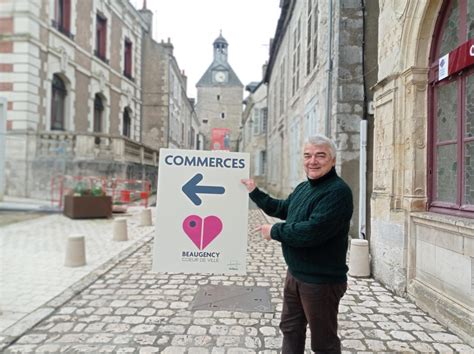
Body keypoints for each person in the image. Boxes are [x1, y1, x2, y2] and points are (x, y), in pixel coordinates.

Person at [241, 134, 353, 354]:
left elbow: (312, 232)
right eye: (308, 156)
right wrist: (255, 192)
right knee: (290, 329)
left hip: (321, 282)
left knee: (323, 343)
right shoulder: (304, 188)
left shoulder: (338, 192)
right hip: (296, 275)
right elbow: (282, 208)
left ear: (332, 160)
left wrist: (274, 231)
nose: (313, 161)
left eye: (320, 156)